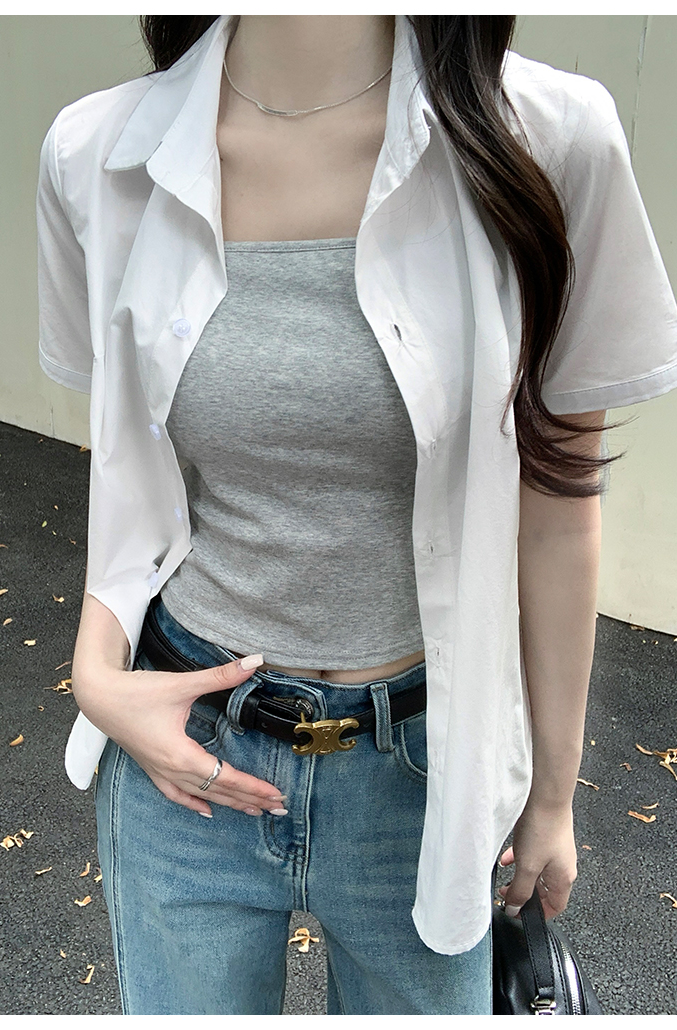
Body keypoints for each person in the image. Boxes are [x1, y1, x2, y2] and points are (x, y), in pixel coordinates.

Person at [36, 15, 677, 1016]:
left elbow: (557, 501)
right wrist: (93, 670)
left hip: (422, 776)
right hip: (181, 760)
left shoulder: (549, 142)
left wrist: (552, 794)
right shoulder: (95, 156)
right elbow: (131, 466)